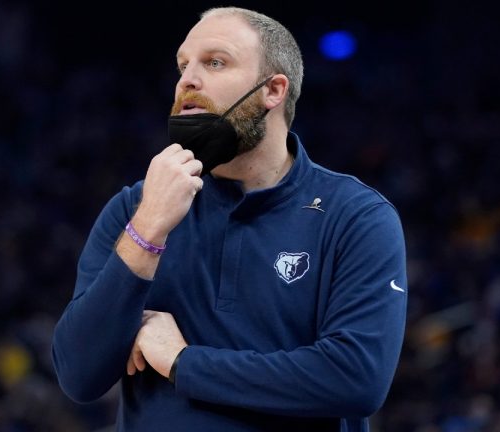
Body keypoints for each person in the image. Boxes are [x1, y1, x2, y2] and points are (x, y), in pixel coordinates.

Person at [52, 6, 407, 432]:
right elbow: (78, 375)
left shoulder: (356, 217)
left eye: (215, 62)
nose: (188, 79)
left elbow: (355, 378)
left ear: (273, 90)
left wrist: (183, 362)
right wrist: (147, 231)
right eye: (183, 65)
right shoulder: (136, 209)